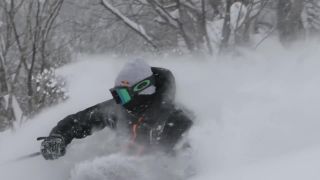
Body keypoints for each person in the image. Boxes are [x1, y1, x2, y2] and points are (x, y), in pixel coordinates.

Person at [40, 59, 193, 160]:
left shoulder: (176, 120)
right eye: (116, 94)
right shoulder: (119, 111)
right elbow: (79, 121)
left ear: (142, 90)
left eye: (123, 95)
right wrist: (58, 137)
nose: (120, 102)